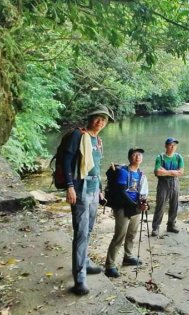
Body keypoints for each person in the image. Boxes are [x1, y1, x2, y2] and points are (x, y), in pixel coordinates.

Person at [63, 104, 114, 296]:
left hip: (93, 191)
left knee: (89, 228)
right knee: (81, 233)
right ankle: (80, 278)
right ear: (90, 118)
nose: (100, 122)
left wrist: (100, 189)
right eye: (97, 118)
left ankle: (84, 261)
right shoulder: (79, 135)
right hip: (80, 190)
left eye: (104, 119)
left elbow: (97, 167)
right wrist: (69, 186)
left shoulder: (98, 140)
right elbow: (67, 160)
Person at [104, 148, 149, 278]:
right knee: (119, 236)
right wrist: (136, 205)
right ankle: (110, 266)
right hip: (122, 208)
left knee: (132, 234)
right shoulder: (123, 172)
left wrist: (144, 203)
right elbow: (121, 192)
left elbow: (143, 192)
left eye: (139, 155)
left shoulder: (141, 174)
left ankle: (128, 257)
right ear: (130, 158)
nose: (137, 157)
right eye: (134, 155)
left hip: (135, 208)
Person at [151, 137, 184, 236]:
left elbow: (181, 172)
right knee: (160, 205)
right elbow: (157, 172)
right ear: (166, 146)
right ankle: (155, 227)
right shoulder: (160, 157)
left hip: (175, 183)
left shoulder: (179, 157)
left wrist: (165, 171)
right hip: (163, 184)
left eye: (174, 145)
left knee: (174, 204)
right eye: (170, 144)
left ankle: (171, 225)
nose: (172, 146)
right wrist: (173, 172)